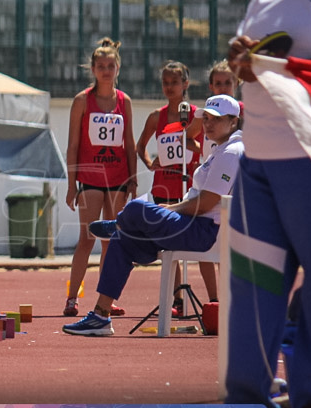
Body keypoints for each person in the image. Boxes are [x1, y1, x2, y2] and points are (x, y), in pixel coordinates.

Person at [224, 0, 311, 408]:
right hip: (257, 161)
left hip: (310, 165)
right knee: (254, 286)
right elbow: (249, 37)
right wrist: (242, 54)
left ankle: (309, 404)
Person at [64, 95, 243, 336]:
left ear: (234, 122)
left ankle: (118, 223)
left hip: (205, 231)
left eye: (217, 119)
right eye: (207, 118)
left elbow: (207, 203)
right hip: (194, 226)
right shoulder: (221, 149)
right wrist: (171, 208)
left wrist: (169, 209)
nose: (208, 124)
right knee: (122, 239)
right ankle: (100, 316)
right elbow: (200, 202)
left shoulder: (231, 152)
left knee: (138, 209)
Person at [63, 38, 137, 318]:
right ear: (92, 69)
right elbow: (72, 145)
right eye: (101, 66)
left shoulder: (124, 101)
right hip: (90, 179)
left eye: (111, 66)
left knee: (112, 240)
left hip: (117, 178)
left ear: (118, 68)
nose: (106, 70)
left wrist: (133, 178)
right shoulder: (82, 101)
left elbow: (129, 144)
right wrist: (71, 185)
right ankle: (72, 298)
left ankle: (105, 300)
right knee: (87, 238)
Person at [135, 61, 215, 309]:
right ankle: (177, 299)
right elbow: (140, 146)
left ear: (185, 84)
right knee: (168, 248)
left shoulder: (197, 116)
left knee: (201, 248)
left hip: (189, 186)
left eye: (175, 82)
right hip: (164, 187)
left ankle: (214, 302)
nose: (169, 87)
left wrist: (186, 142)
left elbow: (201, 148)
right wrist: (150, 163)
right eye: (165, 82)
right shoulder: (155, 116)